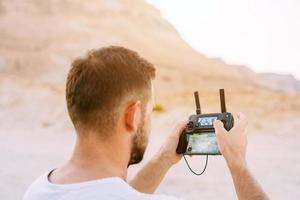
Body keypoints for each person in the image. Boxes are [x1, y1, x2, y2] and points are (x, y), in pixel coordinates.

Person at [23, 46, 269, 200]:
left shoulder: (37, 190)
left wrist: (163, 158)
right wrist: (238, 165)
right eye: (150, 112)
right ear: (133, 115)